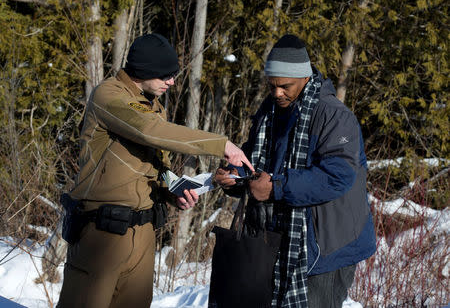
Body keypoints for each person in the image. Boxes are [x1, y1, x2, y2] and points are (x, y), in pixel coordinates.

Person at [57, 33, 253, 308]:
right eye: (165, 75)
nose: (171, 82)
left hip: (144, 235)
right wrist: (221, 145)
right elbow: (149, 131)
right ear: (144, 70)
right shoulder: (108, 96)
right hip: (101, 236)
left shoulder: (154, 106)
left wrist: (181, 189)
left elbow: (158, 168)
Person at [215, 34, 376, 307]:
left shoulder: (333, 115)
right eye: (272, 85)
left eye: (285, 86)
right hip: (275, 242)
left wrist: (277, 187)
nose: (277, 92)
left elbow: (337, 176)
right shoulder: (271, 110)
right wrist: (235, 177)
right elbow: (256, 160)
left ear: (304, 77)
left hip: (324, 249)